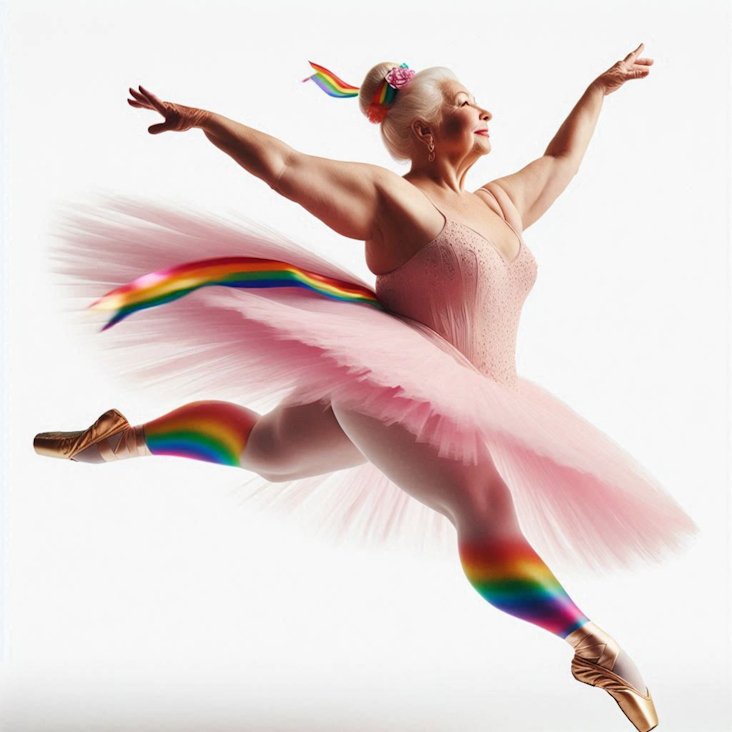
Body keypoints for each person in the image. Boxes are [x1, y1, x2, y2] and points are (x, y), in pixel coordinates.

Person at [34, 44, 695, 731]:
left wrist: (599, 88)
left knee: (268, 451)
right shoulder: (391, 199)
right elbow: (288, 168)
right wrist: (206, 121)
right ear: (424, 130)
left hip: (477, 385)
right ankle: (590, 644)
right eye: (469, 103)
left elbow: (561, 162)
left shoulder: (501, 204)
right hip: (397, 382)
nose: (488, 110)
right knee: (483, 504)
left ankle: (124, 438)